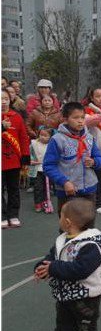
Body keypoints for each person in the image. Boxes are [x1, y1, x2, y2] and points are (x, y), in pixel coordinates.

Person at [33, 198, 101, 331]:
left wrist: (53, 268)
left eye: (60, 216)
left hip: (85, 299)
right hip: (64, 298)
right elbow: (52, 257)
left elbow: (81, 270)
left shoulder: (91, 245)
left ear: (67, 222)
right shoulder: (62, 239)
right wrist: (42, 267)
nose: (59, 219)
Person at [43, 102, 101, 217]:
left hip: (89, 190)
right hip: (68, 191)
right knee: (69, 226)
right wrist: (64, 182)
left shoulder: (89, 138)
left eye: (82, 117)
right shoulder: (57, 140)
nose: (80, 121)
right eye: (75, 118)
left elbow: (100, 157)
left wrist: (94, 162)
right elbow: (48, 166)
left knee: (88, 226)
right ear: (65, 119)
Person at [2, 90, 30, 228]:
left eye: (5, 98)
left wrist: (25, 156)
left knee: (14, 189)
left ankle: (13, 215)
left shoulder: (16, 117)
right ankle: (2, 215)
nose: (3, 101)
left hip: (13, 160)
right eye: (0, 99)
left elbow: (24, 137)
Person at [30, 127, 54, 213]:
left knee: (46, 187)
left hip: (48, 169)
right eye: (41, 135)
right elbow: (30, 154)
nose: (42, 137)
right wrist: (32, 161)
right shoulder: (34, 144)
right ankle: (38, 203)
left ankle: (45, 202)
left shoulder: (52, 145)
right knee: (38, 187)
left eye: (45, 135)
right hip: (38, 170)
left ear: (50, 137)